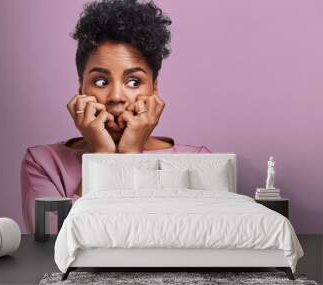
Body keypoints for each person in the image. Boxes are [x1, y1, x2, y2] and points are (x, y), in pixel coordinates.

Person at [21, 0, 211, 233]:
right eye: (101, 81)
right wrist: (101, 155)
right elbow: (52, 247)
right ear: (82, 89)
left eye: (133, 82)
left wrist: (131, 153)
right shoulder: (43, 162)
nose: (116, 97)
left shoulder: (197, 160)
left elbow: (182, 240)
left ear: (154, 89)